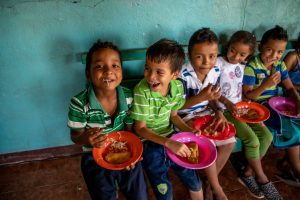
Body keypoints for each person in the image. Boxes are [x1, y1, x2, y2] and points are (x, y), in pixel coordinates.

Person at [67, 40, 148, 200]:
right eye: (99, 66)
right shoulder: (79, 103)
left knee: (139, 195)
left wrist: (134, 155)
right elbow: (75, 136)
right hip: (94, 155)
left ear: (121, 71)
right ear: (88, 74)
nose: (108, 71)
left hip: (125, 150)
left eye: (114, 66)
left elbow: (130, 129)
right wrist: (86, 138)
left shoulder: (129, 97)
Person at [131, 39, 203, 200]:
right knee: (164, 191)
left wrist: (188, 130)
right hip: (148, 142)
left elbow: (174, 116)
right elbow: (140, 128)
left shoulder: (177, 87)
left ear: (175, 74)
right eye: (147, 68)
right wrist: (168, 142)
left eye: (159, 72)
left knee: (194, 180)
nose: (150, 76)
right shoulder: (141, 91)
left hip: (171, 136)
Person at [217, 30, 282, 199]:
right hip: (224, 110)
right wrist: (229, 105)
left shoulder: (244, 67)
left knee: (266, 136)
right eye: (233, 50)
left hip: (242, 109)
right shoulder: (218, 63)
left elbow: (245, 96)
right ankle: (261, 178)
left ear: (249, 54)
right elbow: (212, 91)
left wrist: (256, 116)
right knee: (252, 140)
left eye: (242, 54)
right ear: (228, 46)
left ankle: (247, 173)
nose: (236, 56)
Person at [178, 28, 234, 200]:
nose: (206, 62)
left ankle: (209, 182)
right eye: (199, 56)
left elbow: (212, 97)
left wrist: (218, 111)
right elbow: (177, 108)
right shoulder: (182, 75)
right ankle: (217, 188)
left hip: (207, 112)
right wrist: (201, 97)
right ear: (189, 55)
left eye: (212, 56)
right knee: (207, 143)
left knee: (229, 141)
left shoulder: (215, 71)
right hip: (185, 116)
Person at [243, 26, 300, 192]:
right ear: (260, 47)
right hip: (257, 106)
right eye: (269, 50)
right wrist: (266, 84)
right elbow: (248, 96)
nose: (274, 56)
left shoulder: (280, 65)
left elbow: (289, 88)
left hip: (276, 104)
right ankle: (249, 171)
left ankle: (290, 164)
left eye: (279, 52)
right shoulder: (252, 66)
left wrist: (296, 99)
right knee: (292, 130)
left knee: (297, 125)